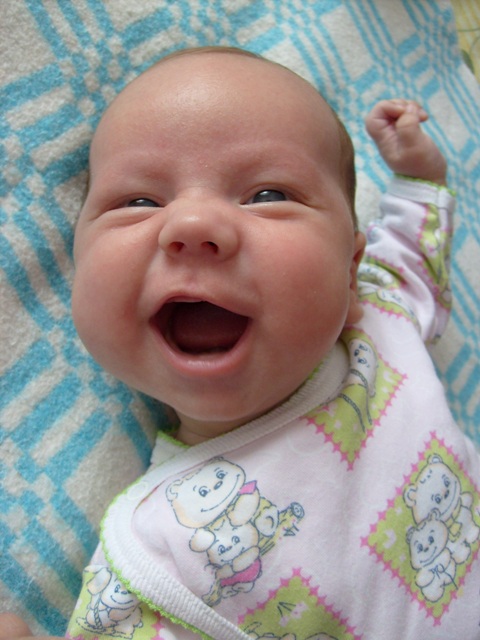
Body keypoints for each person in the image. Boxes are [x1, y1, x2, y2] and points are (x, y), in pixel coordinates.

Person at [2, 46, 479, 640]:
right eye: (139, 203)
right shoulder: (163, 550)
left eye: (268, 196)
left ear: (349, 273)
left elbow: (411, 260)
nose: (192, 225)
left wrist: (421, 179)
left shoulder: (380, 323)